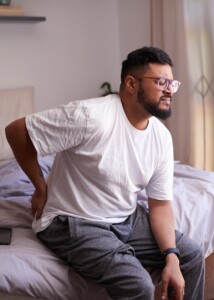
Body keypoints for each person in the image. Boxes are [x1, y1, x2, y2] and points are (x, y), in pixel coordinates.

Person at [5, 46, 204, 300]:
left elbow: (160, 206)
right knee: (139, 284)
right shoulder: (90, 116)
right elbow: (16, 131)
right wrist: (40, 187)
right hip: (72, 220)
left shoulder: (161, 137)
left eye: (172, 83)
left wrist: (172, 258)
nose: (169, 90)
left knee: (191, 256)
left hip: (124, 218)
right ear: (131, 84)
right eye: (161, 81)